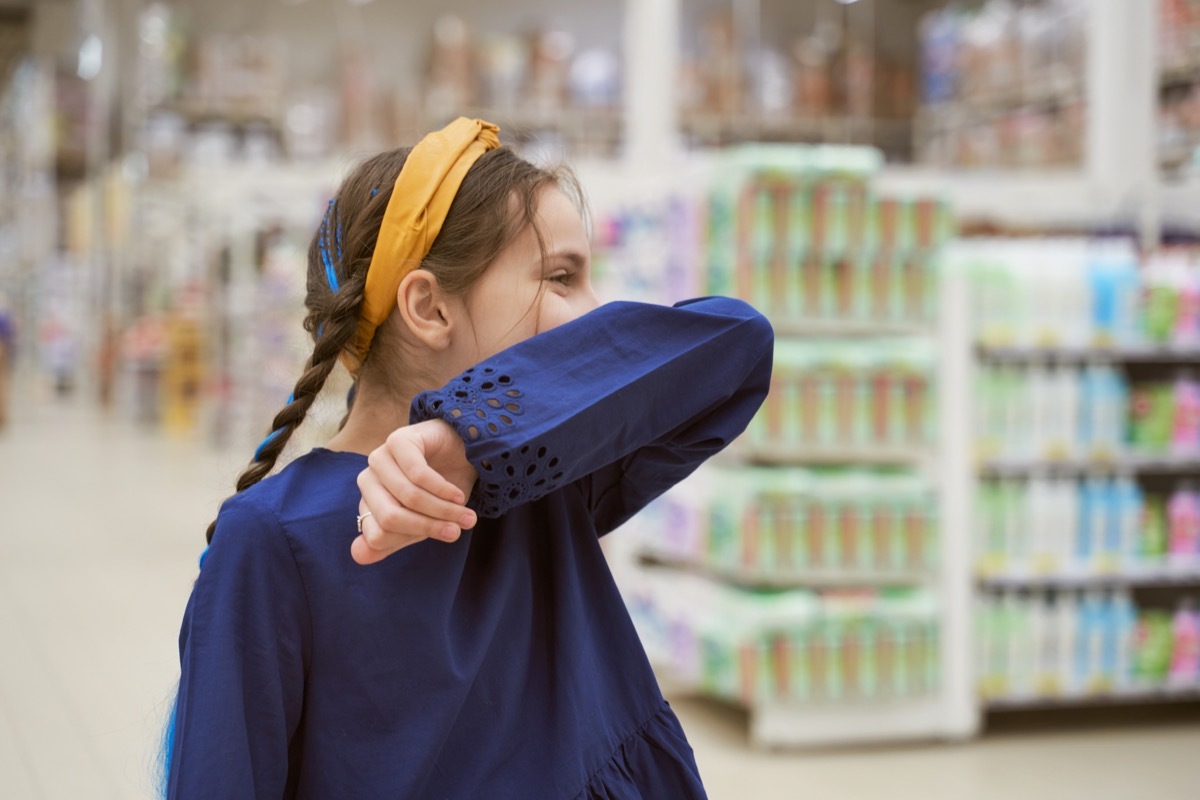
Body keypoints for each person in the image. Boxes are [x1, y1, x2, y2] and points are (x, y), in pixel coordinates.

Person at [164, 118, 773, 799]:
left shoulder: (547, 472)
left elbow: (739, 346)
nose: (594, 314)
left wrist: (473, 431)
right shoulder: (275, 539)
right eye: (562, 279)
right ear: (428, 307)